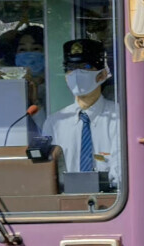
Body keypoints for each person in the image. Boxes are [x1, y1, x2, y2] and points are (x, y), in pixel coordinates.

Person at [35, 36, 121, 191]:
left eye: (85, 66)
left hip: (111, 205)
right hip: (66, 205)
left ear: (101, 75)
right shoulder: (55, 122)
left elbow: (120, 172)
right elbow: (46, 172)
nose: (76, 73)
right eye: (70, 68)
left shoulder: (119, 117)